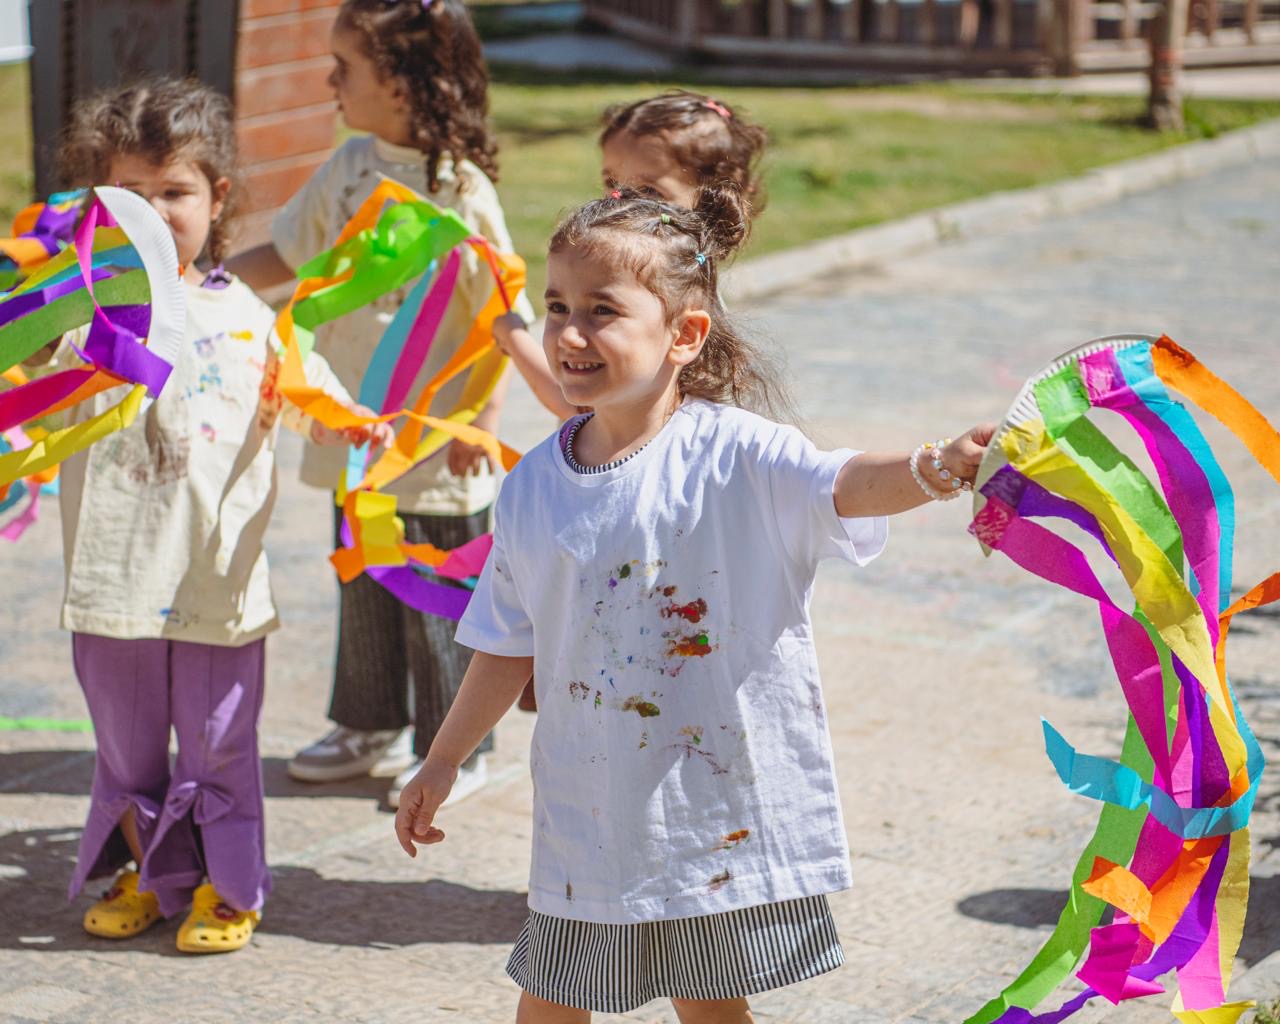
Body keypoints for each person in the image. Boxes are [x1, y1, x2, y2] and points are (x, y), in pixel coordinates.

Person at [394, 185, 993, 1021]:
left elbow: (845, 484)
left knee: (709, 1006)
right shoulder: (531, 486)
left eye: (603, 311)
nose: (568, 334)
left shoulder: (737, 454)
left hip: (708, 814)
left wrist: (940, 467)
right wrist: (444, 758)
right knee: (553, 997)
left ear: (684, 335)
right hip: (590, 812)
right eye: (557, 306)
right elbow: (506, 641)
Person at [48, 78, 388, 953]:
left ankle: (228, 887)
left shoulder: (248, 315)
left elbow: (313, 398)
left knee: (219, 746)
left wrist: (354, 424)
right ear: (97, 204)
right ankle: (150, 874)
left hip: (218, 579)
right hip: (115, 577)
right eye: (131, 194)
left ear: (217, 197)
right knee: (127, 753)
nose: (155, 213)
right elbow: (28, 384)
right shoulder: (80, 311)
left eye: (175, 191)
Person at [228, 0, 537, 807]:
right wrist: (199, 284)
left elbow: (502, 316)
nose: (329, 82)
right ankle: (367, 722)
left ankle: (452, 744)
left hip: (435, 447)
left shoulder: (461, 190)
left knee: (437, 595)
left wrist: (482, 424)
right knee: (362, 579)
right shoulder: (348, 168)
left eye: (344, 68)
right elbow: (286, 255)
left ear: (401, 83)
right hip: (355, 438)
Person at [493, 89, 768, 419]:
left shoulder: (672, 303)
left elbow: (579, 409)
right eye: (612, 182)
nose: (621, 200)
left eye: (649, 190)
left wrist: (514, 336)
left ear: (711, 197)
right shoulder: (670, 286)